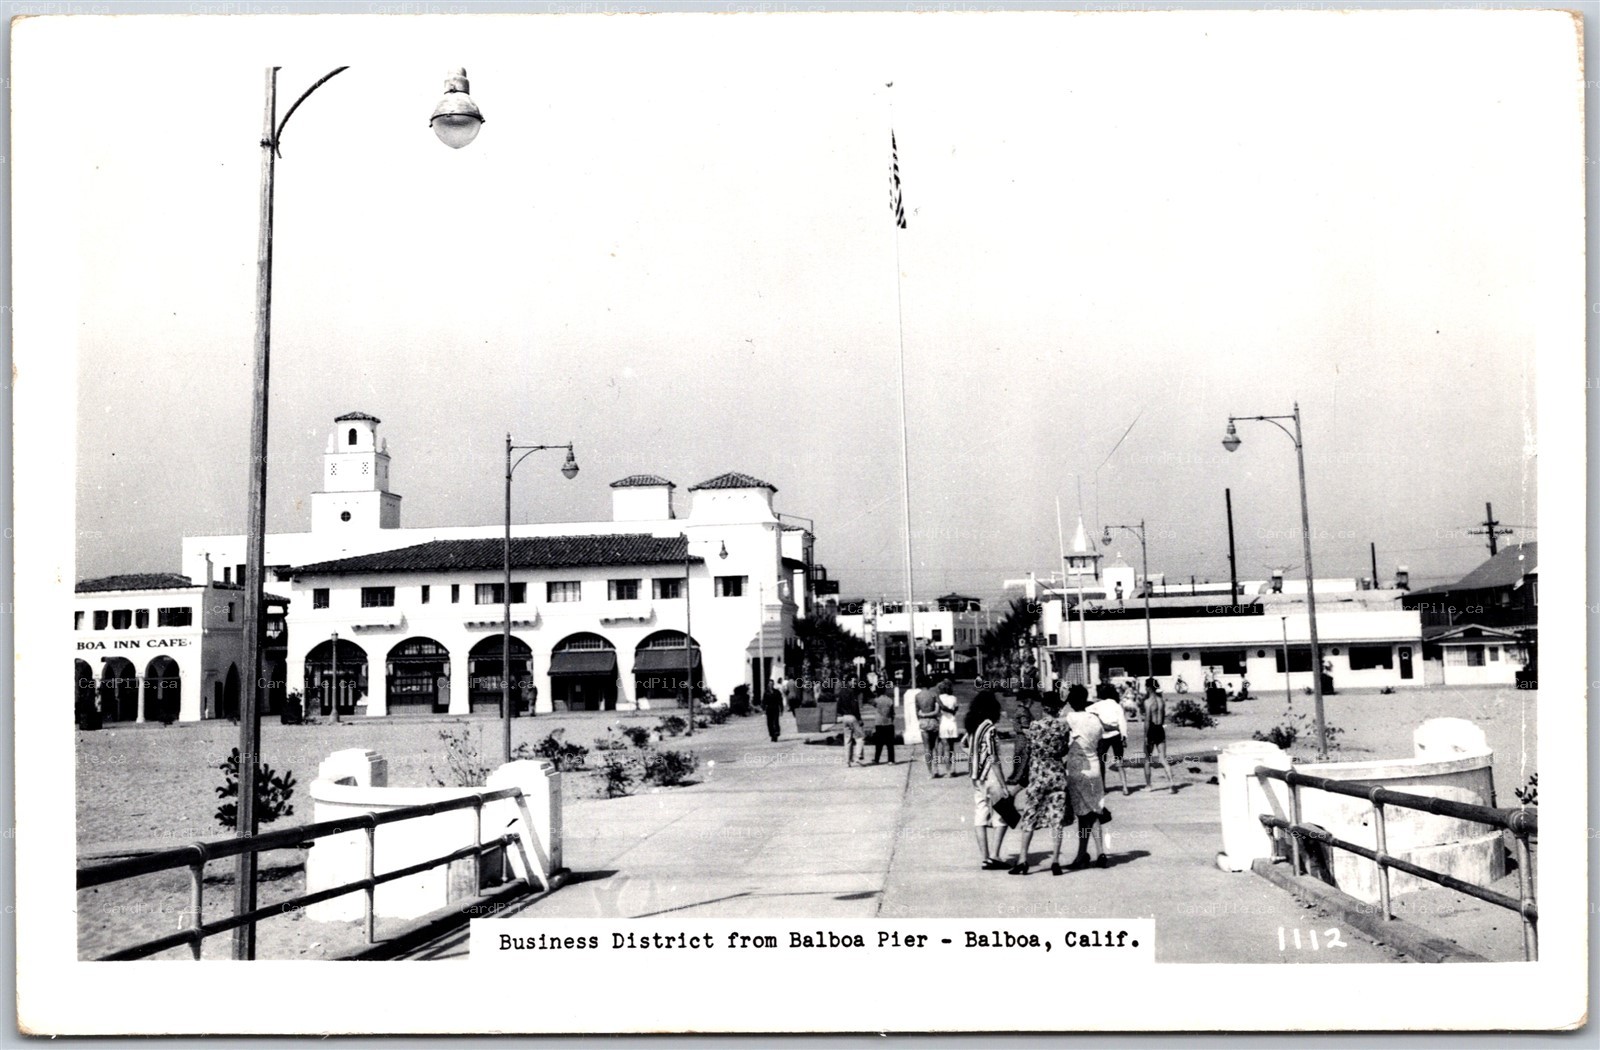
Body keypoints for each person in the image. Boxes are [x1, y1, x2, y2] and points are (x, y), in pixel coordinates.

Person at [1008, 691, 1070, 875]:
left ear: (1043, 707)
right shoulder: (1062, 727)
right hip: (1057, 775)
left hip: (1038, 775)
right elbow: (1064, 749)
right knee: (1056, 819)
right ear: (1057, 708)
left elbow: (1029, 748)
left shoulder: (1034, 726)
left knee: (1030, 816)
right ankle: (1056, 862)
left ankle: (1022, 860)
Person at [1062, 684, 1111, 870]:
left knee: (1083, 814)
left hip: (1077, 768)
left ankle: (1082, 855)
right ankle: (1100, 852)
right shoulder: (1095, 719)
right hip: (1095, 766)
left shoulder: (1070, 718)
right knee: (1095, 810)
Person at [965, 690, 1011, 870]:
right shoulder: (989, 728)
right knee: (1003, 813)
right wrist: (1003, 783)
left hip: (976, 776)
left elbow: (964, 745)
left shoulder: (973, 726)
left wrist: (975, 758)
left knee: (980, 813)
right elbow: (993, 758)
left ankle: (984, 858)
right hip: (990, 775)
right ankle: (995, 855)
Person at [1087, 684, 1131, 796]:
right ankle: (1125, 787)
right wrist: (1124, 736)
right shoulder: (1117, 705)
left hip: (1103, 736)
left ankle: (1103, 787)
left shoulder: (1096, 706)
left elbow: (1087, 710)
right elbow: (1122, 722)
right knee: (1119, 761)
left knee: (1101, 762)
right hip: (1117, 735)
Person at [1142, 677, 1176, 792]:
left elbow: (1147, 720)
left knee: (1147, 759)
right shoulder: (1161, 701)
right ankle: (1171, 784)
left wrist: (1145, 736)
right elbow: (1163, 717)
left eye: (1146, 686)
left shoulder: (1147, 702)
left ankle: (1148, 785)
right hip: (1160, 729)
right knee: (1163, 758)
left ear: (1148, 688)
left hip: (1151, 729)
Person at [1006, 690, 1036, 786]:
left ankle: (1014, 776)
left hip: (1019, 738)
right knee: (1023, 758)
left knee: (1018, 758)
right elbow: (1025, 728)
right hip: (1023, 738)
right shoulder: (1024, 712)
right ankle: (1017, 778)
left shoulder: (1019, 709)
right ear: (1028, 700)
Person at [912, 680, 940, 775]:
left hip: (923, 722)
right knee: (935, 747)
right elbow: (938, 710)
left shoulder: (917, 696)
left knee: (927, 748)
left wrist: (921, 717)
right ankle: (936, 769)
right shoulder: (933, 694)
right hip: (933, 721)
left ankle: (930, 771)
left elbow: (917, 712)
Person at [936, 680, 960, 777]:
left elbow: (938, 711)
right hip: (952, 723)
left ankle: (948, 770)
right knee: (952, 748)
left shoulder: (939, 698)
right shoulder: (954, 698)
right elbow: (956, 708)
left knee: (945, 748)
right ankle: (953, 769)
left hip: (943, 723)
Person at [870, 686, 898, 764]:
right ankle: (891, 760)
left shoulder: (876, 700)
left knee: (878, 743)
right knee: (890, 744)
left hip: (879, 723)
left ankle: (876, 759)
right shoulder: (889, 700)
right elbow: (892, 712)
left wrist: (876, 696)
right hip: (888, 722)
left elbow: (873, 703)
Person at [835, 685, 863, 766]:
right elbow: (855, 707)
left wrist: (843, 713)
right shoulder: (852, 692)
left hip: (845, 717)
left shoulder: (842, 692)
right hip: (852, 716)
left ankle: (848, 761)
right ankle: (858, 756)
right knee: (860, 736)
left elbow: (838, 707)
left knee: (847, 739)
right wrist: (859, 718)